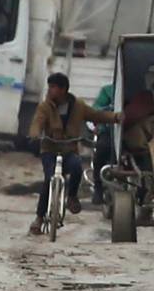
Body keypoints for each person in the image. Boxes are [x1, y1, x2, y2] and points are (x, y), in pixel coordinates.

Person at [28, 72, 120, 235]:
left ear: (63, 89)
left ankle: (72, 197)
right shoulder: (45, 106)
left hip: (69, 150)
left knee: (77, 167)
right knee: (49, 179)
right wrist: (35, 135)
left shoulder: (78, 106)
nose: (50, 90)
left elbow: (96, 115)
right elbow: (37, 122)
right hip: (49, 150)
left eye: (53, 87)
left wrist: (116, 117)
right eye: (49, 87)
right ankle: (39, 218)